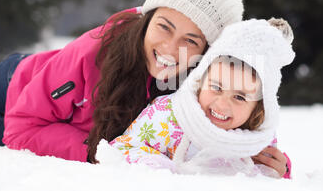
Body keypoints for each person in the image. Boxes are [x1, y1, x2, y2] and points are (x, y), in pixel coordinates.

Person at [0, 0, 244, 163]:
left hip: (47, 127)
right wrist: (99, 152)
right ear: (146, 20)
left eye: (190, 40)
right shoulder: (95, 51)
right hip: (18, 83)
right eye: (164, 27)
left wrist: (270, 162)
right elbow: (22, 128)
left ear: (206, 53)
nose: (169, 49)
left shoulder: (203, 86)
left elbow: (241, 124)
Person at [109, 18, 295, 179]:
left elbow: (262, 189)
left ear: (258, 106)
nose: (222, 104)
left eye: (239, 97)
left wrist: (277, 171)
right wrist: (158, 169)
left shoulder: (257, 136)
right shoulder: (168, 115)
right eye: (216, 87)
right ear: (200, 81)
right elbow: (120, 149)